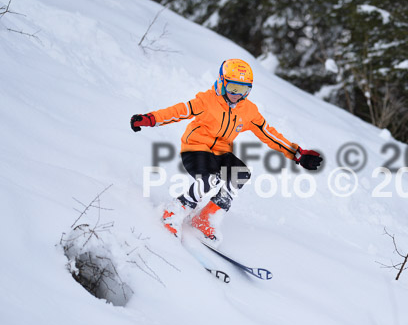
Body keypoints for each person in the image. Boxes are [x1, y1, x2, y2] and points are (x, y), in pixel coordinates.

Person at [130, 58, 322, 240]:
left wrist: (297, 154)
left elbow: (269, 134)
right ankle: (173, 210)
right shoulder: (207, 101)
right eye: (233, 88)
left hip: (221, 152)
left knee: (241, 173)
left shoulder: (248, 111)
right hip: (195, 148)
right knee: (208, 179)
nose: (237, 95)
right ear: (222, 83)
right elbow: (179, 111)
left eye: (244, 90)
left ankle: (206, 218)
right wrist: (150, 119)